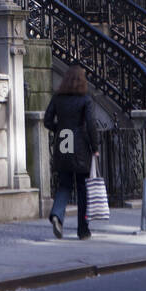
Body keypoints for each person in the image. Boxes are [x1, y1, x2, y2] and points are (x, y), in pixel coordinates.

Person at [43, 64, 100, 240]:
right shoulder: (85, 100)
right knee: (83, 189)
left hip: (62, 144)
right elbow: (91, 124)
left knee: (64, 184)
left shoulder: (58, 98)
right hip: (81, 147)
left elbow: (47, 120)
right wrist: (95, 147)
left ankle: (57, 215)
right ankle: (83, 230)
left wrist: (59, 129)